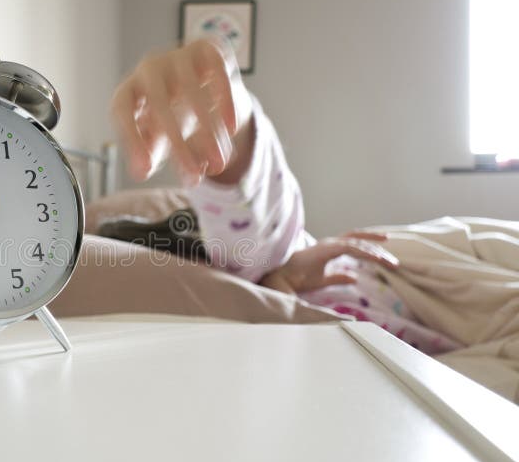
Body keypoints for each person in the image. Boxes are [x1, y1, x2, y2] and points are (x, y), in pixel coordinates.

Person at [110, 38, 461, 354]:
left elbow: (257, 232)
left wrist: (231, 128)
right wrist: (279, 284)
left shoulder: (274, 254)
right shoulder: (265, 286)